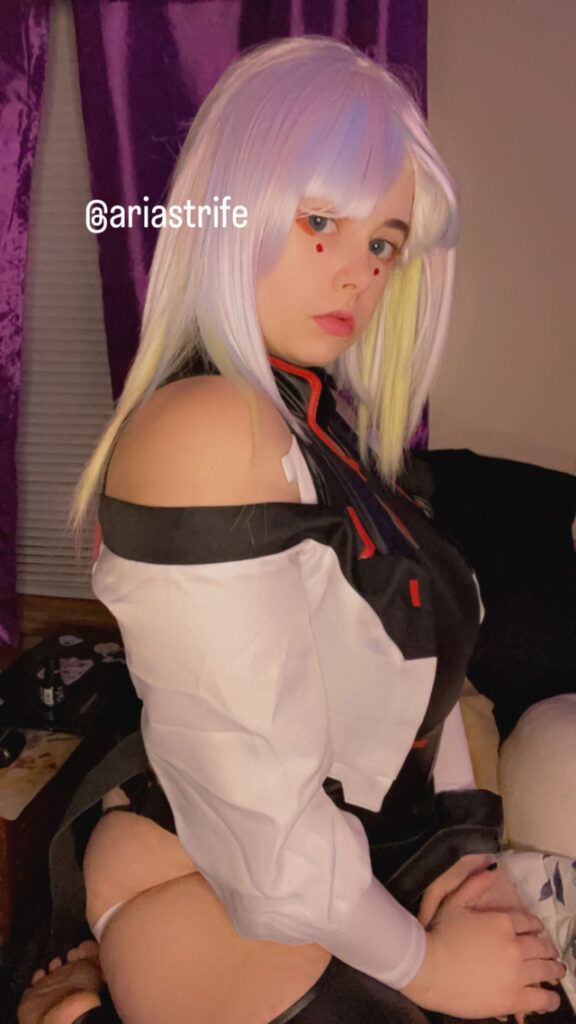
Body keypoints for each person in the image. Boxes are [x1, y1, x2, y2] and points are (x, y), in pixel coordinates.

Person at [18, 35, 568, 1024]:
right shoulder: (210, 428)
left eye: (383, 243)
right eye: (321, 221)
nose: (358, 274)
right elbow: (262, 828)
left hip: (333, 861)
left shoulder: (315, 419)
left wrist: (467, 852)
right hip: (227, 883)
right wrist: (433, 966)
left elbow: (426, 680)